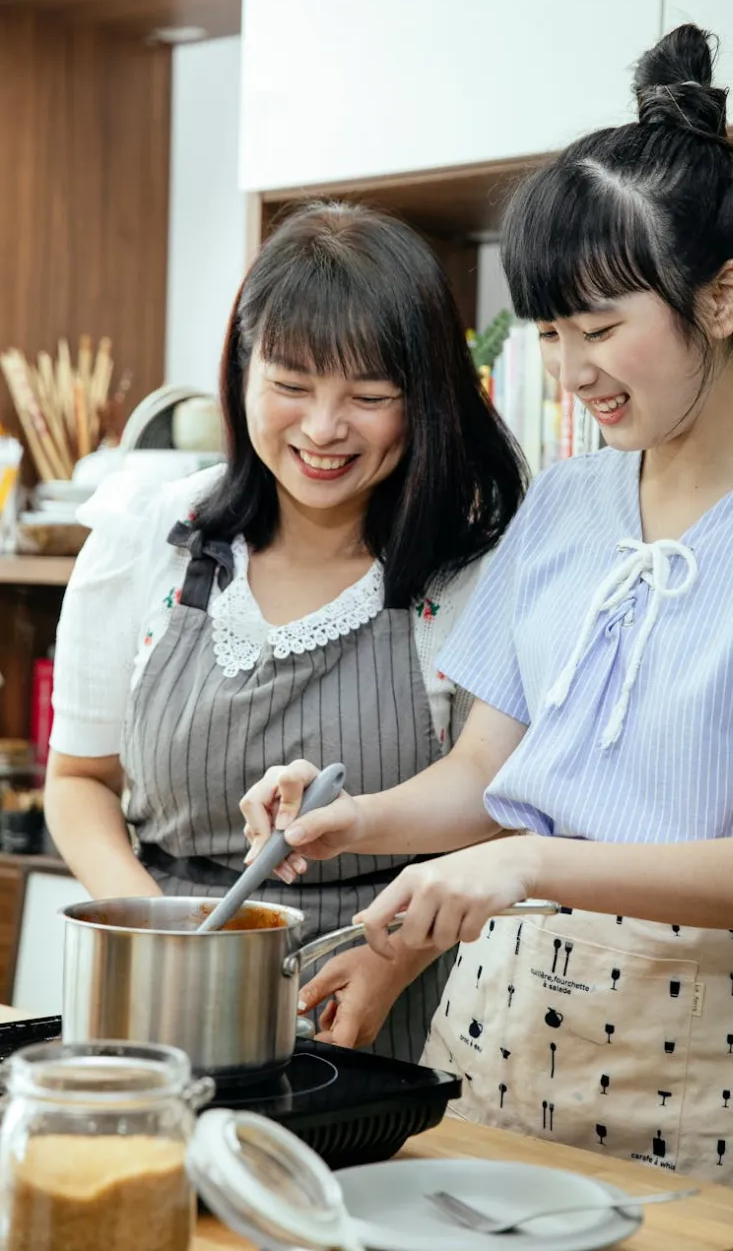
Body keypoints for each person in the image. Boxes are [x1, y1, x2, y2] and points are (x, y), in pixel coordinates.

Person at [240, 27, 733, 1191]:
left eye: (600, 326)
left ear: (718, 297)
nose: (569, 372)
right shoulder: (565, 500)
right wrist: (351, 816)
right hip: (502, 1022)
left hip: (724, 1050)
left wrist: (532, 862)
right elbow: (485, 772)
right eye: (549, 334)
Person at [45, 201, 527, 1064]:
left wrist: (391, 960)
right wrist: (158, 934)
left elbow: (499, 803)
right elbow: (78, 780)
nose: (322, 429)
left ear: (425, 400)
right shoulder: (145, 540)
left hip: (388, 1003)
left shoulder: (473, 571)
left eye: (369, 397)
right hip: (159, 1002)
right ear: (242, 369)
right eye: (292, 385)